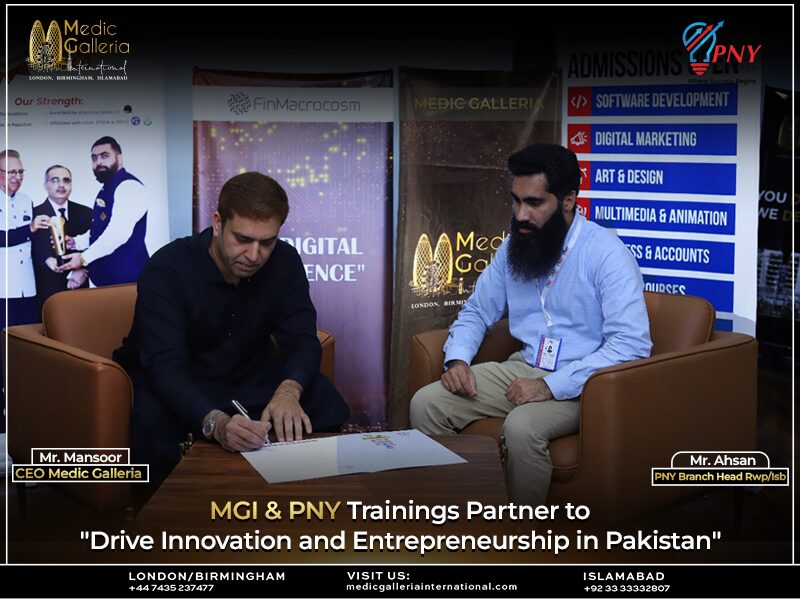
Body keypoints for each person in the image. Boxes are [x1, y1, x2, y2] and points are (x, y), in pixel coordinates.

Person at [410, 143, 652, 505]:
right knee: (426, 403)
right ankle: (458, 515)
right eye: (515, 201)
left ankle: (524, 541)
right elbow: (477, 310)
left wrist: (549, 387)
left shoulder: (606, 253)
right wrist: (458, 359)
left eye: (534, 203)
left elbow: (630, 346)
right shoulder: (513, 247)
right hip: (523, 368)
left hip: (585, 382)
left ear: (568, 200)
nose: (520, 215)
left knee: (522, 428)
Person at [114, 172, 350, 501]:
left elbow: (301, 339)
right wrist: (217, 423)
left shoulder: (285, 262)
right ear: (217, 223)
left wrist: (288, 392)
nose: (254, 255)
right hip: (178, 378)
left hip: (246, 373)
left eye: (267, 242)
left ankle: (299, 501)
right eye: (242, 239)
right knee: (153, 427)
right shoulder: (167, 269)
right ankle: (168, 527)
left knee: (323, 399)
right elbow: (165, 367)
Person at [57, 136, 148, 286]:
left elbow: (117, 234)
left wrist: (82, 258)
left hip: (129, 281)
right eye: (94, 158)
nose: (98, 162)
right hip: (109, 282)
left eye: (104, 156)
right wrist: (76, 242)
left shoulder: (130, 187)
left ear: (120, 158)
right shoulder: (107, 187)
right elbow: (100, 229)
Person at [1, 150, 50, 326]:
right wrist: (30, 228)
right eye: (11, 172)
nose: (17, 177)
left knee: (26, 339)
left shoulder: (26, 200)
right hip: (3, 286)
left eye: (20, 172)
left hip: (27, 284)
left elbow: (34, 240)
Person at [32, 165, 92, 307]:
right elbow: (33, 249)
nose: (61, 185)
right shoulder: (34, 215)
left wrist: (84, 269)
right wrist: (46, 259)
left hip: (81, 286)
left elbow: (95, 245)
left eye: (66, 180)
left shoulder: (87, 212)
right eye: (54, 180)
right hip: (47, 290)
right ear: (45, 185)